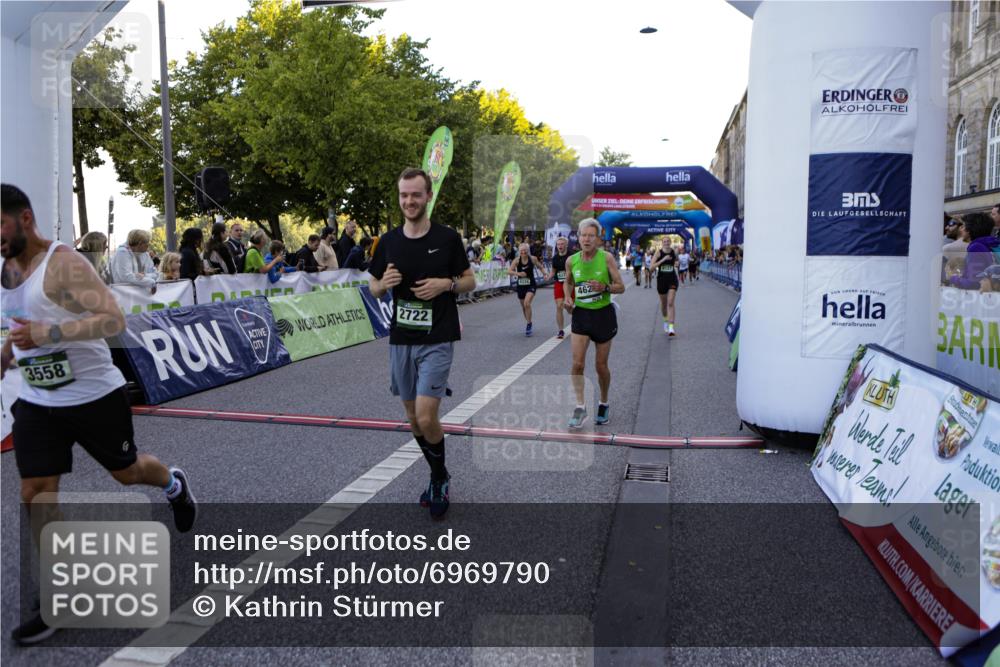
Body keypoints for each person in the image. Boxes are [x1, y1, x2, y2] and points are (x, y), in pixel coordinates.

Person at [0, 184, 196, 645]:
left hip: (93, 395)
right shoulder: (8, 267)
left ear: (25, 219)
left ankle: (173, 484)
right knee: (34, 490)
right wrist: (9, 352)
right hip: (39, 398)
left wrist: (53, 333)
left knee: (127, 473)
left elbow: (113, 319)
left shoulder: (64, 262)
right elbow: (19, 319)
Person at [368, 167, 474, 519]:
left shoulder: (447, 238)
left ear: (428, 196)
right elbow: (373, 287)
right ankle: (437, 473)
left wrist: (446, 285)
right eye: (404, 195)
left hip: (438, 337)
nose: (409, 201)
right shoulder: (388, 241)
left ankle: (439, 478)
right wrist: (384, 283)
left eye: (416, 194)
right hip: (402, 339)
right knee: (413, 420)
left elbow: (469, 280)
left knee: (428, 417)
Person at [563, 218, 625, 429]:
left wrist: (604, 287)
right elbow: (568, 281)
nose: (587, 239)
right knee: (577, 364)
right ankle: (580, 407)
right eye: (583, 235)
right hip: (581, 315)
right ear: (578, 237)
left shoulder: (606, 258)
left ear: (597, 238)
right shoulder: (571, 260)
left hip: (603, 316)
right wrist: (568, 298)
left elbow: (620, 286)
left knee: (601, 366)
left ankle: (604, 402)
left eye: (591, 235)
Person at [948, 212, 1000, 290]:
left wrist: (952, 278)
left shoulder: (976, 248)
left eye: (963, 226)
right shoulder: (992, 243)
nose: (961, 229)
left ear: (969, 230)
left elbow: (973, 283)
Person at [508, 242, 545, 337]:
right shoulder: (516, 261)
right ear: (519, 251)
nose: (523, 252)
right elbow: (509, 271)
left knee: (527, 303)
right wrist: (518, 274)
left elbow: (540, 266)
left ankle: (528, 324)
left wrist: (545, 274)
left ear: (528, 251)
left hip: (531, 284)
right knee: (524, 307)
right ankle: (529, 322)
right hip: (521, 285)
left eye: (525, 250)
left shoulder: (532, 259)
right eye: (521, 251)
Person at [651, 237, 679, 336]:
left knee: (670, 302)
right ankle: (666, 320)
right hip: (661, 280)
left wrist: (677, 263)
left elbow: (676, 262)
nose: (666, 243)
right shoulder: (658, 253)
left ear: (670, 242)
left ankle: (671, 328)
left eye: (668, 241)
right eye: (664, 242)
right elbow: (651, 267)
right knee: (664, 304)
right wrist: (663, 259)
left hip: (672, 279)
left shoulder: (674, 252)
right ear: (662, 243)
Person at [546, 236, 570, 339]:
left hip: (570, 283)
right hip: (559, 283)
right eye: (558, 244)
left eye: (562, 244)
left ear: (566, 245)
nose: (560, 246)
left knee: (569, 307)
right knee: (559, 305)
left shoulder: (572, 256)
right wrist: (548, 277)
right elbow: (553, 271)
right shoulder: (555, 258)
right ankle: (561, 330)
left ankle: (576, 315)